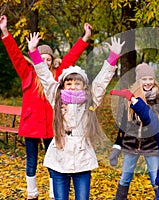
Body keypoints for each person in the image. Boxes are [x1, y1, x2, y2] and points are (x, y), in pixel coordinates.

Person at [0, 14, 92, 200]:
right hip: (31, 125)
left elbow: (72, 56)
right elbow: (15, 55)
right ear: (35, 59)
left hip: (53, 126)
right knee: (32, 161)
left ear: (52, 61)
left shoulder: (57, 76)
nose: (45, 62)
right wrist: (4, 31)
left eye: (48, 59)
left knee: (55, 161)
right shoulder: (27, 73)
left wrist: (85, 38)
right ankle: (32, 192)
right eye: (41, 59)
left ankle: (53, 193)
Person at [27, 32, 125, 200]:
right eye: (69, 83)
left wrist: (113, 57)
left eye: (77, 83)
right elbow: (45, 77)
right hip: (59, 158)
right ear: (63, 85)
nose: (72, 86)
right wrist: (34, 52)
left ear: (83, 85)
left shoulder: (90, 99)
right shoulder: (56, 98)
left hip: (82, 158)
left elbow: (101, 82)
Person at [109, 63, 159, 199]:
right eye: (144, 79)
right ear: (138, 81)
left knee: (156, 179)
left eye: (150, 79)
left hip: (151, 145)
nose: (148, 82)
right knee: (125, 177)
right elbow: (123, 124)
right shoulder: (130, 99)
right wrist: (117, 147)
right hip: (131, 145)